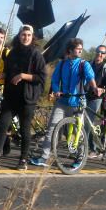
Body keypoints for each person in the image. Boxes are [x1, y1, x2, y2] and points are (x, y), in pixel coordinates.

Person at [0, 25, 47, 170]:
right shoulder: (12, 53)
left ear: (32, 36)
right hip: (10, 95)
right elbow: (7, 73)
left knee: (24, 130)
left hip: (27, 97)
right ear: (19, 35)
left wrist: (23, 76)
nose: (25, 37)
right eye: (23, 34)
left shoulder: (36, 54)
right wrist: (0, 75)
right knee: (2, 125)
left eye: (28, 35)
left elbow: (41, 77)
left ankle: (23, 160)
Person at [32, 38, 97, 166]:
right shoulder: (62, 64)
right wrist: (56, 90)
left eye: (81, 49)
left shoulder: (84, 64)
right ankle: (44, 157)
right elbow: (55, 80)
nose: (80, 51)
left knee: (79, 131)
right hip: (62, 101)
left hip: (78, 101)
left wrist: (95, 88)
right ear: (70, 50)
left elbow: (90, 77)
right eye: (77, 49)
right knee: (52, 128)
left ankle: (80, 157)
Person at [88, 44, 106, 117]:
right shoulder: (87, 64)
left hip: (95, 98)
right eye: (98, 51)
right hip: (83, 96)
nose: (99, 54)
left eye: (102, 53)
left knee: (88, 121)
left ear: (105, 55)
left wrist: (102, 90)